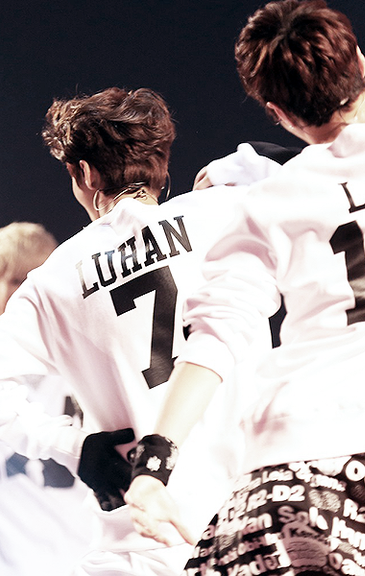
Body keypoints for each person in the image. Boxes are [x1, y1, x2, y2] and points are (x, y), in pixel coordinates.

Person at [125, 2, 365, 576]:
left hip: (277, 482)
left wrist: (153, 467)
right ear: (359, 62)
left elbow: (216, 335)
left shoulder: (271, 200)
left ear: (279, 112)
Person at [0, 87, 299, 575]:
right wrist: (237, 167)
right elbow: (316, 164)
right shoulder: (223, 211)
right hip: (256, 516)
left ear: (85, 173)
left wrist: (72, 446)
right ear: (161, 162)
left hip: (142, 538)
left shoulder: (50, 282)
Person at [0, 222, 92, 576]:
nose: (25, 295)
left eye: (33, 282)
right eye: (15, 280)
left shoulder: (90, 362)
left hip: (91, 559)